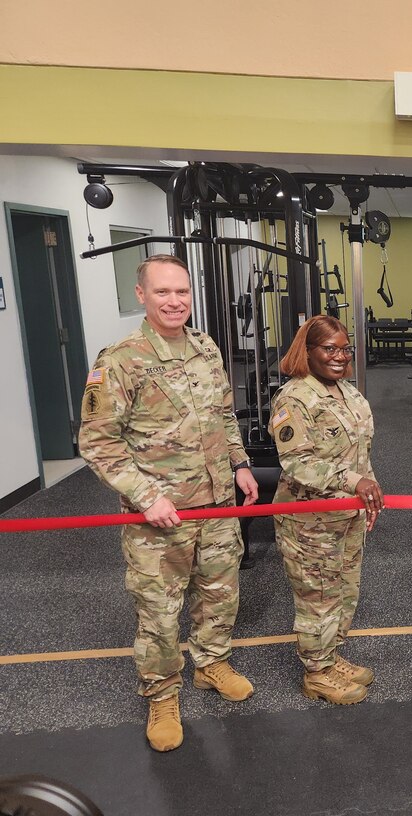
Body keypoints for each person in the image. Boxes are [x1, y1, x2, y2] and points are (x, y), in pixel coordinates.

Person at [79, 254, 259, 753]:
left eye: (181, 291)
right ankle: (161, 693)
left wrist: (240, 464)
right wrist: (145, 496)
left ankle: (212, 663)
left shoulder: (205, 347)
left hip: (218, 503)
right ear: (142, 295)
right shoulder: (120, 360)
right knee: (159, 613)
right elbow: (98, 443)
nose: (174, 301)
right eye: (163, 292)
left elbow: (224, 415)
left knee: (220, 593)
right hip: (160, 514)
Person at [270, 315, 384, 706]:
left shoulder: (348, 393)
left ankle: (331, 656)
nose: (339, 356)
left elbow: (360, 454)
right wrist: (355, 483)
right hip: (308, 520)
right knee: (318, 596)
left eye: (344, 348)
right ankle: (316, 673)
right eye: (329, 349)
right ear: (309, 351)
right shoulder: (295, 398)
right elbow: (296, 463)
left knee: (344, 591)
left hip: (346, 515)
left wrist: (368, 494)